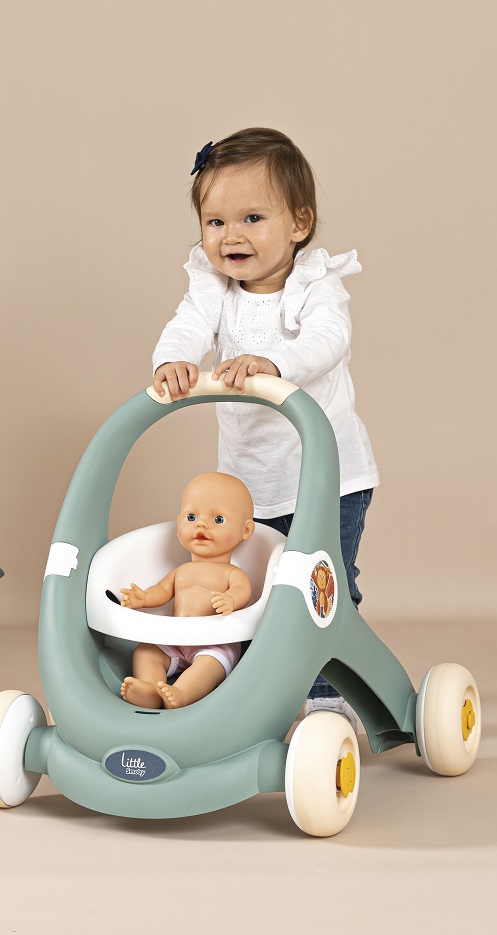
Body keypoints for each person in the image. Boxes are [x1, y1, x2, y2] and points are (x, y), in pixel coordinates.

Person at [151, 128, 379, 728]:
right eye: (216, 222)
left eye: (252, 218)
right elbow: (186, 326)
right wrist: (172, 361)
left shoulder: (315, 285)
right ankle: (246, 686)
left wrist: (274, 365)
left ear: (299, 222)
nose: (232, 236)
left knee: (320, 582)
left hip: (327, 476)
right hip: (250, 483)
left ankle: (326, 694)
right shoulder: (214, 287)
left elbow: (329, 340)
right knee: (248, 586)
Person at [119, 472, 255, 710]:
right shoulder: (181, 571)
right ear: (179, 522)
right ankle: (150, 688)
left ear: (245, 530)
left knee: (209, 665)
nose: (201, 524)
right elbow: (161, 591)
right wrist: (144, 597)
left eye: (218, 519)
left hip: (215, 643)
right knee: (146, 651)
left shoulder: (232, 573)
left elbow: (243, 591)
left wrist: (230, 600)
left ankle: (181, 694)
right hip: (175, 641)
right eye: (191, 517)